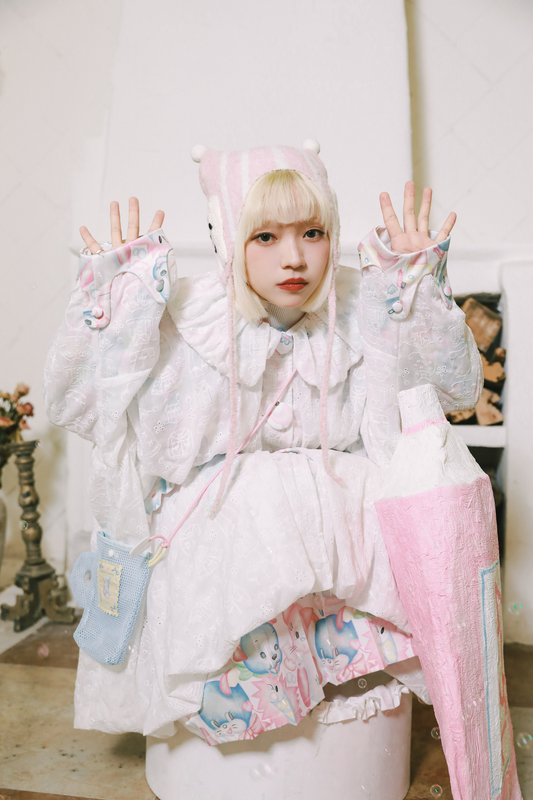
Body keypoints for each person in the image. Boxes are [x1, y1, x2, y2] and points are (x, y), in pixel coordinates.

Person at [45, 143, 483, 759]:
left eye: (312, 232)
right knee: (262, 496)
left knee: (348, 489)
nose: (295, 258)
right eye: (265, 237)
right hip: (218, 525)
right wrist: (117, 311)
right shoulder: (192, 317)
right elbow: (84, 407)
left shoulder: (359, 308)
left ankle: (335, 675)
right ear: (230, 239)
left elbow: (437, 404)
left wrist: (412, 295)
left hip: (331, 525)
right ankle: (251, 698)